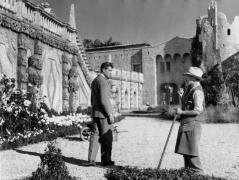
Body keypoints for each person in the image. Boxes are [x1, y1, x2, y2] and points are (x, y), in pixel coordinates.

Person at [174, 66, 205, 174]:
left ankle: (200, 176)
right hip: (186, 125)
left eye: (188, 77)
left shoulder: (197, 92)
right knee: (186, 154)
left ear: (194, 78)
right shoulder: (190, 90)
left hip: (193, 126)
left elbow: (197, 111)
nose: (186, 79)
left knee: (192, 156)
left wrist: (181, 113)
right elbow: (187, 106)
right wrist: (182, 97)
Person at [88, 62, 115, 166]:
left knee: (95, 136)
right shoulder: (103, 81)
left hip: (96, 113)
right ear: (103, 70)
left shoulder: (95, 81)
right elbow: (104, 100)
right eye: (109, 70)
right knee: (107, 137)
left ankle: (91, 159)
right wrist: (110, 114)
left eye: (111, 71)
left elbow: (92, 99)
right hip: (104, 115)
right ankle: (106, 160)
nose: (110, 73)